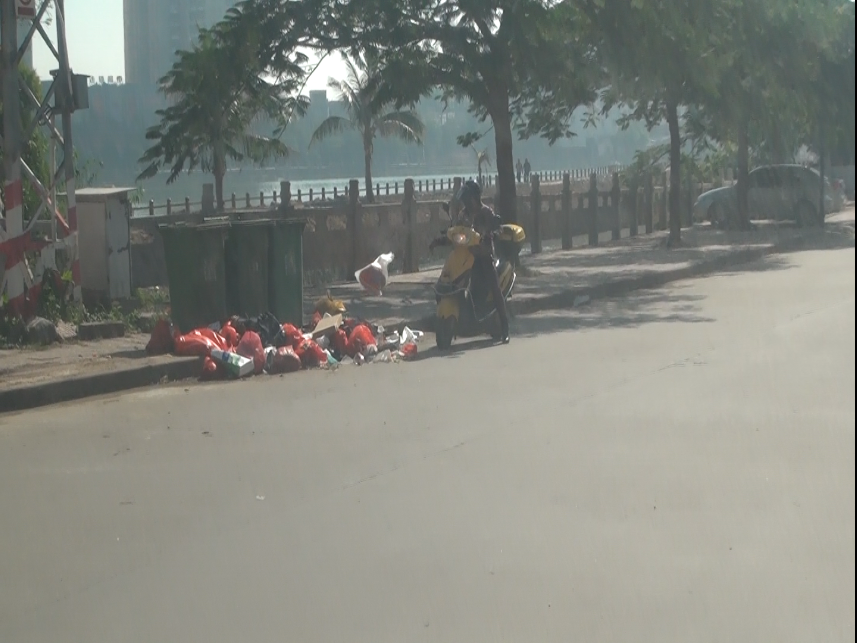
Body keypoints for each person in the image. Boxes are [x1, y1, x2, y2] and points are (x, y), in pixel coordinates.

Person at [431, 180, 510, 344]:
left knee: (494, 287)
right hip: (467, 256)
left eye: (468, 198)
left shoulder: (486, 212)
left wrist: (494, 232)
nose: (466, 202)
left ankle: (505, 327)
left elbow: (497, 227)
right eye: (464, 199)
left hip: (483, 255)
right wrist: (439, 240)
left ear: (475, 197)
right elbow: (456, 230)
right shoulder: (463, 214)